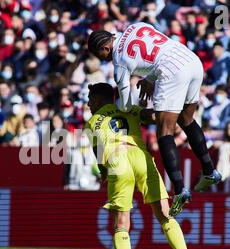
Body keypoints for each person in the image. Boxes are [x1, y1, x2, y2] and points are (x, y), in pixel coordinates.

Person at [84, 83, 207, 249]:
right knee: (165, 215)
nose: (87, 104)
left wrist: (104, 172)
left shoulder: (92, 122)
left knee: (121, 224)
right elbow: (154, 116)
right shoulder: (128, 109)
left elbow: (100, 156)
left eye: (89, 99)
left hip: (117, 160)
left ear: (97, 100)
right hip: (141, 157)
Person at [88, 23, 222, 217]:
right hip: (191, 61)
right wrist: (151, 79)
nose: (103, 60)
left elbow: (125, 106)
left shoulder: (119, 63)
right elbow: (158, 51)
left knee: (164, 131)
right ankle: (210, 171)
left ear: (105, 48)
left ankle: (179, 190)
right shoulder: (135, 26)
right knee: (186, 119)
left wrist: (136, 112)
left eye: (100, 56)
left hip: (172, 72)